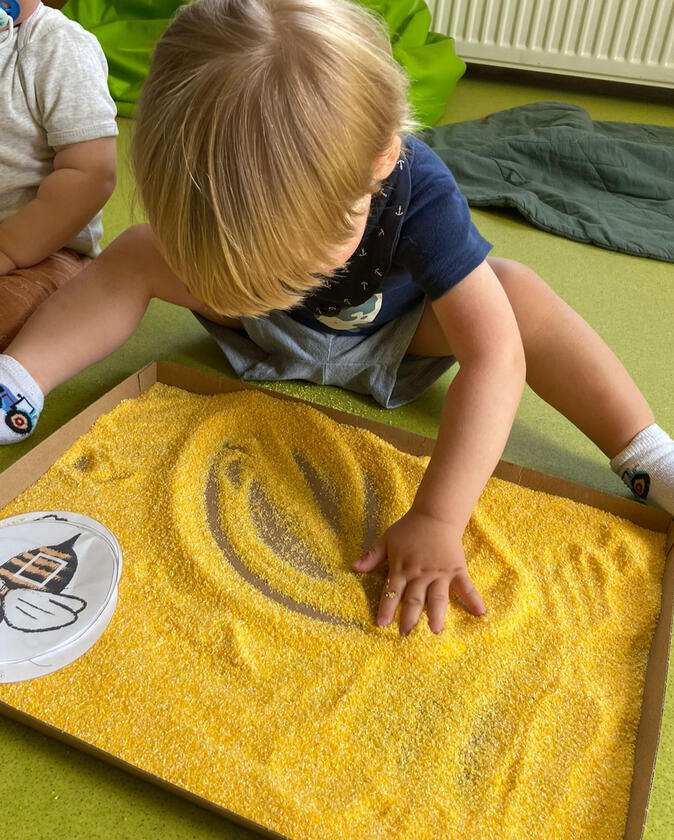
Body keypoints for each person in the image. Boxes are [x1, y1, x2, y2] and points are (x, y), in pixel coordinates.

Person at [1, 0, 672, 637]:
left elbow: (497, 359)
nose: (280, 267)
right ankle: (17, 382)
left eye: (297, 253)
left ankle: (646, 454)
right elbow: (143, 264)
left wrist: (440, 517)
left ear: (380, 162)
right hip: (259, 329)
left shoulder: (420, 186)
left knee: (515, 295)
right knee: (135, 251)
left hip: (395, 340)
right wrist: (224, 279)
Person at [0, 0, 117, 350]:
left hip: (45, 250)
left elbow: (90, 174)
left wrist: (8, 248)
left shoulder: (57, 46)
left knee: (15, 311)